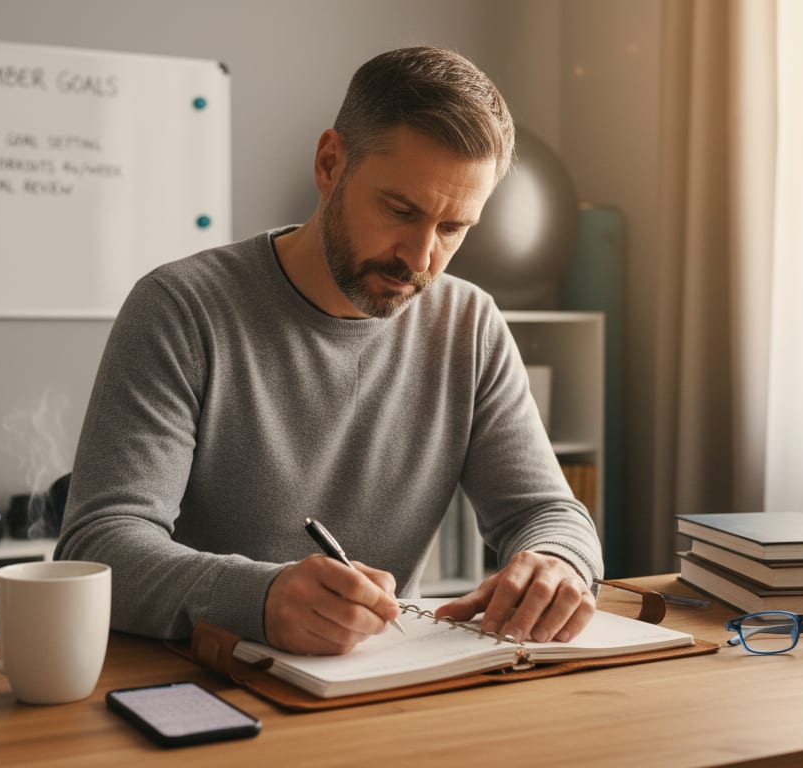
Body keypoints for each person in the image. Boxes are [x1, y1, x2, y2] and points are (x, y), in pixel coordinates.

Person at [56, 46, 603, 655]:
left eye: (453, 229)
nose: (421, 259)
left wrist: (557, 563)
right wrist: (260, 599)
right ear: (329, 163)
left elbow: (549, 510)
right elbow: (97, 547)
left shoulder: (469, 324)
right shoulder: (180, 307)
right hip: (198, 687)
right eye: (400, 210)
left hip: (377, 691)